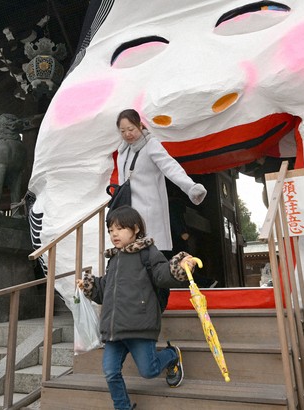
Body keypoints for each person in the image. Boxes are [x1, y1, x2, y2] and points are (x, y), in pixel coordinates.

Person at [77, 206, 198, 410]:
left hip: (139, 325)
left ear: (135, 229)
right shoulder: (113, 259)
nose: (114, 234)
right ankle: (123, 407)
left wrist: (179, 266)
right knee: (110, 371)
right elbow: (106, 289)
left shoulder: (147, 252)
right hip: (114, 330)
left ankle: (171, 355)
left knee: (149, 371)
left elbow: (162, 274)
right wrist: (90, 285)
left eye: (119, 228)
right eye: (110, 230)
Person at [114, 108, 207, 255]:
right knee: (131, 257)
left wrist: (190, 187)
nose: (127, 134)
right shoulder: (123, 152)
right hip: (128, 213)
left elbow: (170, 166)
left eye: (131, 129)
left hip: (148, 210)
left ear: (140, 125)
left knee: (150, 253)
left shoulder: (151, 144)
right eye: (122, 131)